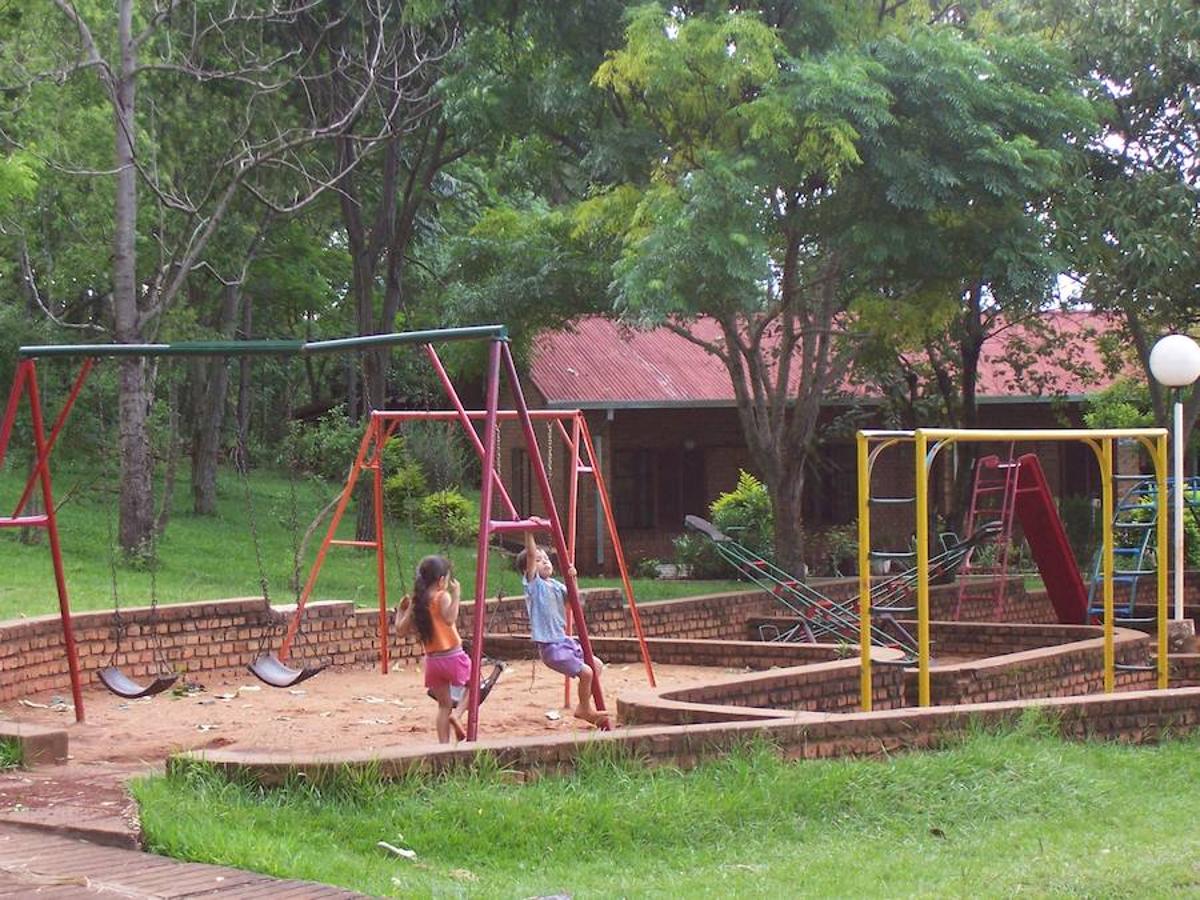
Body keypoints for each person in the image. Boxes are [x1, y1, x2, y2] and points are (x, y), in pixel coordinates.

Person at [518, 530, 611, 725]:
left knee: (597, 666)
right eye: (538, 560)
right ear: (528, 569)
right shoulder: (534, 586)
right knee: (586, 672)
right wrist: (528, 532)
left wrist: (573, 580)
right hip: (551, 648)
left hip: (564, 641)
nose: (545, 562)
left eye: (546, 559)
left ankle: (584, 703)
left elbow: (572, 604)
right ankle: (584, 709)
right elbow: (531, 553)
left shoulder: (555, 585)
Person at [394, 555, 468, 743]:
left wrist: (401, 611)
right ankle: (458, 715)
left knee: (443, 706)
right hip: (453, 656)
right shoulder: (442, 596)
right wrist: (457, 595)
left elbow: (400, 630)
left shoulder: (417, 602)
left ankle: (443, 747)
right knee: (475, 685)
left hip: (433, 662)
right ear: (441, 580)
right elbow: (450, 619)